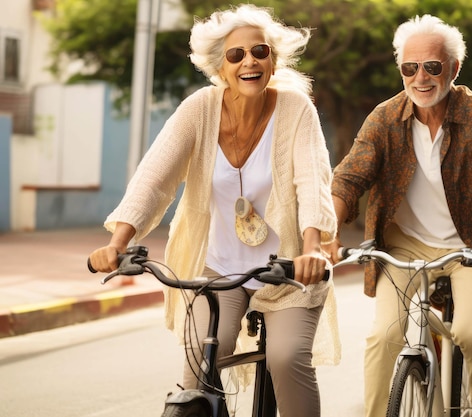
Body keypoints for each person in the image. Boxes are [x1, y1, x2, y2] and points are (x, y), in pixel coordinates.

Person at [88, 5, 338, 417]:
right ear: (219, 67)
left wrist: (312, 249)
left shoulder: (295, 110)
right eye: (236, 55)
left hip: (290, 268)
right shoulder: (198, 110)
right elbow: (154, 178)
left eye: (259, 51)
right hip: (218, 266)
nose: (249, 61)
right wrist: (118, 242)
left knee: (286, 357)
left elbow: (312, 180)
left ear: (272, 60)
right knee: (198, 358)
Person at [324, 14, 472, 417]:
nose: (421, 77)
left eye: (433, 66)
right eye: (410, 67)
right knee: (384, 336)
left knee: (471, 332)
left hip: (468, 244)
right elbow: (349, 177)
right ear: (401, 70)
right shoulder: (384, 118)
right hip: (403, 242)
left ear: (454, 68)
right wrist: (329, 230)